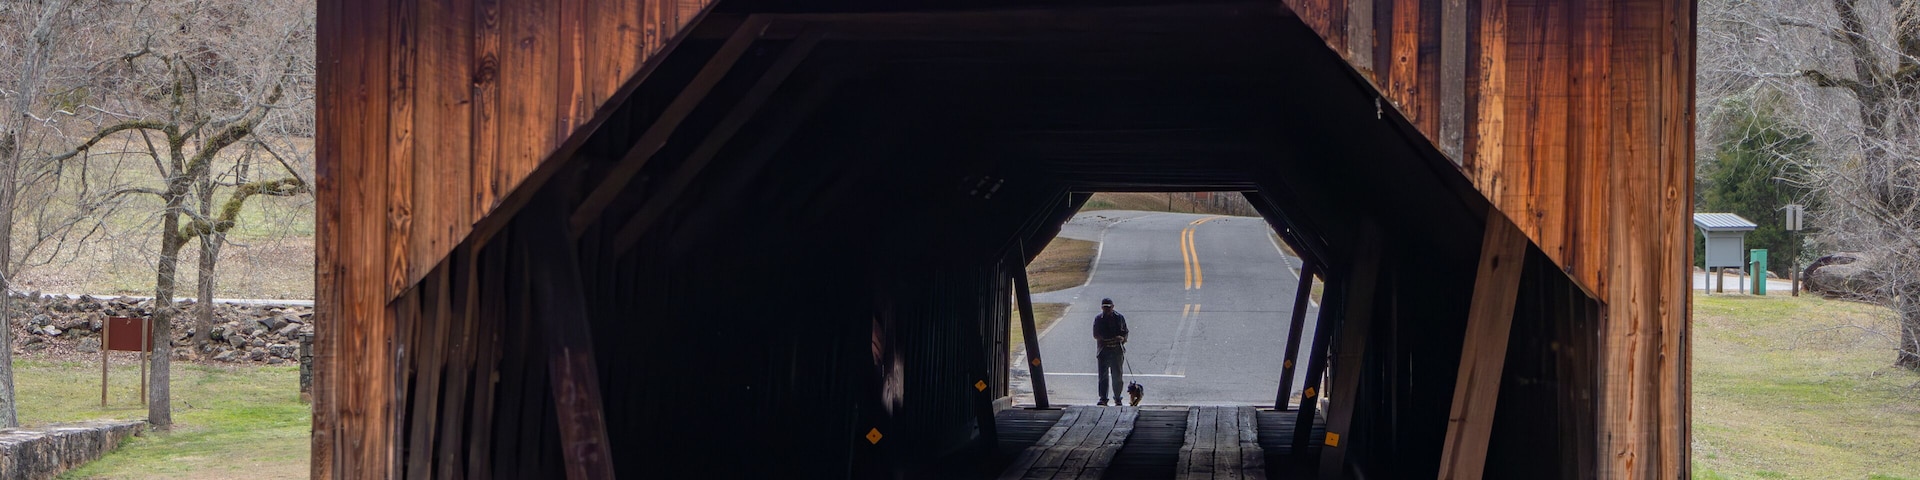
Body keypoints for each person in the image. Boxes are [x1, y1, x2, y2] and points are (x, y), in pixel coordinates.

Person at [1092, 298, 1129, 406]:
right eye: (1105, 307)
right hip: (1104, 350)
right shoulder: (1098, 319)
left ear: (1113, 307)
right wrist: (1109, 338)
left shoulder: (1119, 318)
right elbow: (1096, 334)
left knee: (1117, 375)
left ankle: (1117, 398)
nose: (1107, 309)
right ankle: (1103, 398)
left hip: (1117, 351)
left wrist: (1122, 338)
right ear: (1102, 307)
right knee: (1103, 376)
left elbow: (1125, 332)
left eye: (1109, 307)